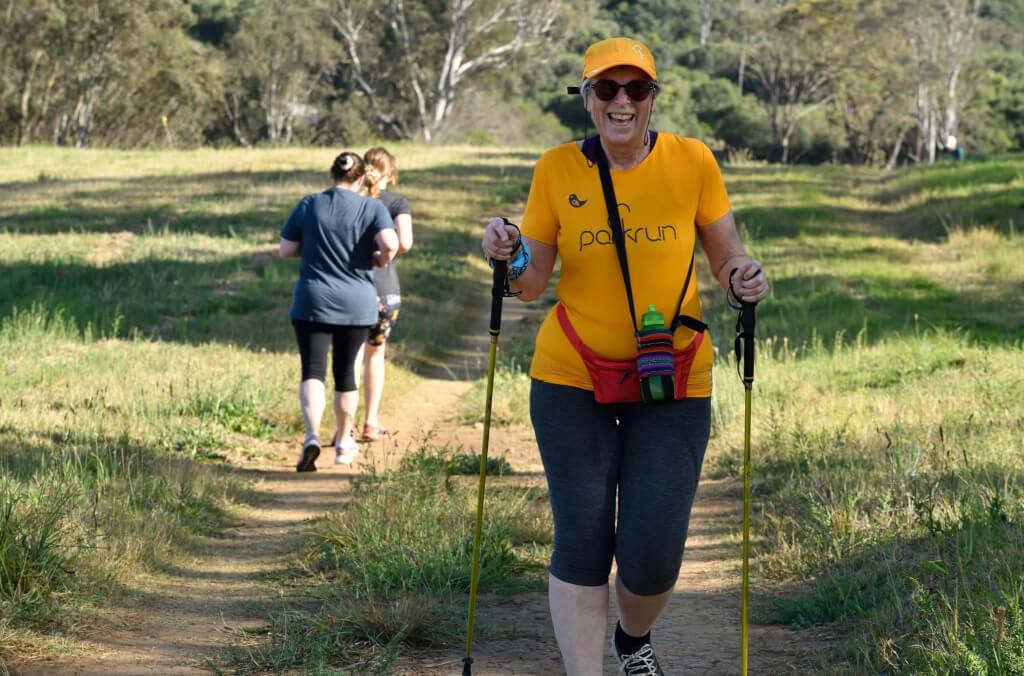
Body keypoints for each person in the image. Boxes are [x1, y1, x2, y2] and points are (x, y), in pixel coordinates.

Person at [481, 37, 769, 675]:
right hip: (571, 375)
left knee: (652, 555)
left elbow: (726, 256)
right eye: (605, 89)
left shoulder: (692, 161)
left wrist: (742, 276)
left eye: (634, 90)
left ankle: (632, 639)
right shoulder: (557, 169)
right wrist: (506, 252)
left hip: (675, 375)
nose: (620, 101)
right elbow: (530, 282)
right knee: (582, 542)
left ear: (651, 100)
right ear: (585, 99)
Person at [280, 151, 399, 472]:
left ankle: (311, 436)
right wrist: (380, 259)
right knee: (346, 373)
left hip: (312, 300)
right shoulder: (372, 207)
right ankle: (345, 443)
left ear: (332, 175)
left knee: (313, 370)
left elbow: (287, 249)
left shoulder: (309, 204)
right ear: (361, 178)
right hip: (356, 303)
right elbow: (391, 243)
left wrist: (315, 248)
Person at [353, 146, 414, 442]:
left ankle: (346, 427)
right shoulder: (396, 203)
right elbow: (406, 242)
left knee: (349, 356)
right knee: (374, 356)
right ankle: (370, 422)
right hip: (385, 291)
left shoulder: (351, 201)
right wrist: (383, 254)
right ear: (391, 172)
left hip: (350, 289)